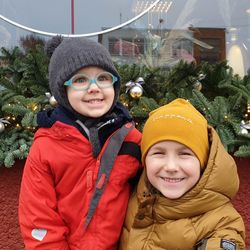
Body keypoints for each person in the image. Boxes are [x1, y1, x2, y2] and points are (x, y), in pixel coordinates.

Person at [18, 36, 142, 250]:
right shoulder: (47, 146)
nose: (94, 88)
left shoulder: (131, 139)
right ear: (63, 92)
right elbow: (38, 218)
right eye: (80, 80)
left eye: (103, 78)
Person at [119, 98, 245, 250]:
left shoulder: (221, 223)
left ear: (203, 161)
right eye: (159, 153)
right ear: (145, 160)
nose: (171, 166)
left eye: (184, 154)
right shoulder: (132, 194)